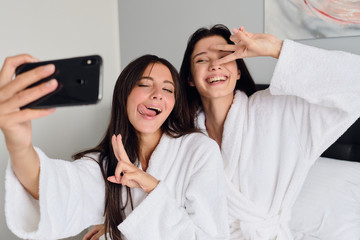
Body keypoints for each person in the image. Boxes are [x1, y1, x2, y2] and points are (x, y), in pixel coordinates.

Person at [1, 54, 230, 240]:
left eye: (168, 90)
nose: (158, 95)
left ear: (173, 103)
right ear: (124, 94)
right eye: (144, 84)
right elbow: (53, 188)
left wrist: (150, 186)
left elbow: (209, 235)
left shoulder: (199, 151)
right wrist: (18, 144)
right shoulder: (106, 162)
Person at [178, 24, 360, 239]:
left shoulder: (277, 111)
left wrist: (276, 48)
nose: (215, 64)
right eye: (201, 59)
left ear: (238, 71)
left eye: (225, 56)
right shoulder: (183, 138)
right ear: (190, 79)